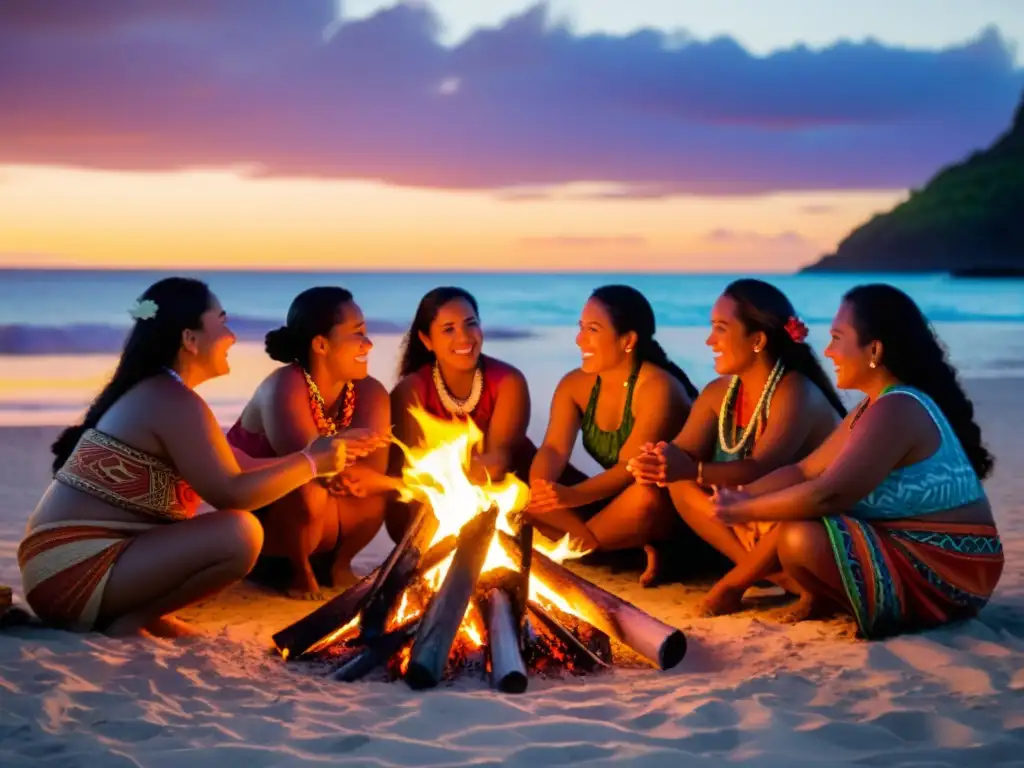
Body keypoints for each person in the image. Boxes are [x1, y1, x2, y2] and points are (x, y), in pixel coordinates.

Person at [18, 278, 366, 637]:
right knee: (239, 532)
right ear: (190, 338)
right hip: (70, 569)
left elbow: (242, 466)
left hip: (68, 568)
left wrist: (320, 460)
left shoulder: (168, 394)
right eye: (223, 322)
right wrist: (311, 463)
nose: (232, 336)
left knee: (238, 528)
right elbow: (231, 492)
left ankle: (135, 615)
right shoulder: (169, 399)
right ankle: (130, 621)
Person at [706, 284, 1003, 638]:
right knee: (790, 520)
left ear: (873, 349)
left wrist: (745, 511)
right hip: (909, 548)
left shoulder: (899, 407)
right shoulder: (872, 406)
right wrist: (746, 495)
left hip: (952, 571)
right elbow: (804, 469)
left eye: (837, 337)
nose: (828, 351)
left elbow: (828, 494)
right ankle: (823, 597)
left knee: (799, 531)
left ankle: (752, 588)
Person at [628, 279, 845, 598]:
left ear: (757, 339)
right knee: (678, 484)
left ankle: (747, 578)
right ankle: (765, 573)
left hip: (807, 521)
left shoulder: (795, 391)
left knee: (787, 506)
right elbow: (682, 454)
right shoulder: (720, 393)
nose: (709, 340)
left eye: (720, 329)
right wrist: (657, 460)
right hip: (747, 520)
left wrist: (691, 470)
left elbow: (762, 468)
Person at [227, 287, 391, 599]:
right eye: (357, 334)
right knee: (307, 487)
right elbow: (307, 465)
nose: (368, 344)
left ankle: (340, 565)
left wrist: (380, 480)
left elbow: (371, 469)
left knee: (373, 492)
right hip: (259, 524)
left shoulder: (370, 392)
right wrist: (342, 457)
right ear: (320, 344)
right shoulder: (284, 386)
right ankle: (295, 569)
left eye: (366, 333)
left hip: (328, 512)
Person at [526, 285, 698, 564]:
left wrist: (573, 496)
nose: (580, 340)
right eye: (580, 327)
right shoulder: (575, 384)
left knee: (645, 495)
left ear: (627, 340)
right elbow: (554, 448)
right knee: (520, 484)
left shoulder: (658, 387)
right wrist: (541, 488)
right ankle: (594, 544)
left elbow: (629, 468)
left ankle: (590, 547)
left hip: (671, 506)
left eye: (593, 330)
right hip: (613, 499)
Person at [386, 287, 530, 541]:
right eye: (448, 329)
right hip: (423, 510)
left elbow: (497, 464)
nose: (464, 338)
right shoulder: (410, 392)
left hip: (500, 498)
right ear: (427, 340)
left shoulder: (508, 381)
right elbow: (409, 475)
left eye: (470, 324)